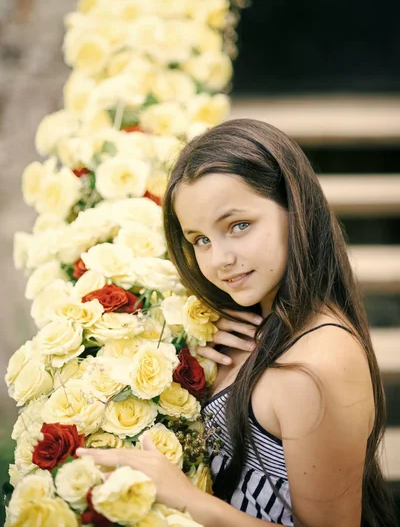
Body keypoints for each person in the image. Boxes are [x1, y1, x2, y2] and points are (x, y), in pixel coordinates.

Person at [78, 119, 397, 526]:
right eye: (200, 240)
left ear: (295, 210)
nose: (219, 260)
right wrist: (192, 343)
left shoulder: (318, 365)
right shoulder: (257, 324)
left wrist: (183, 497)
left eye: (239, 226)